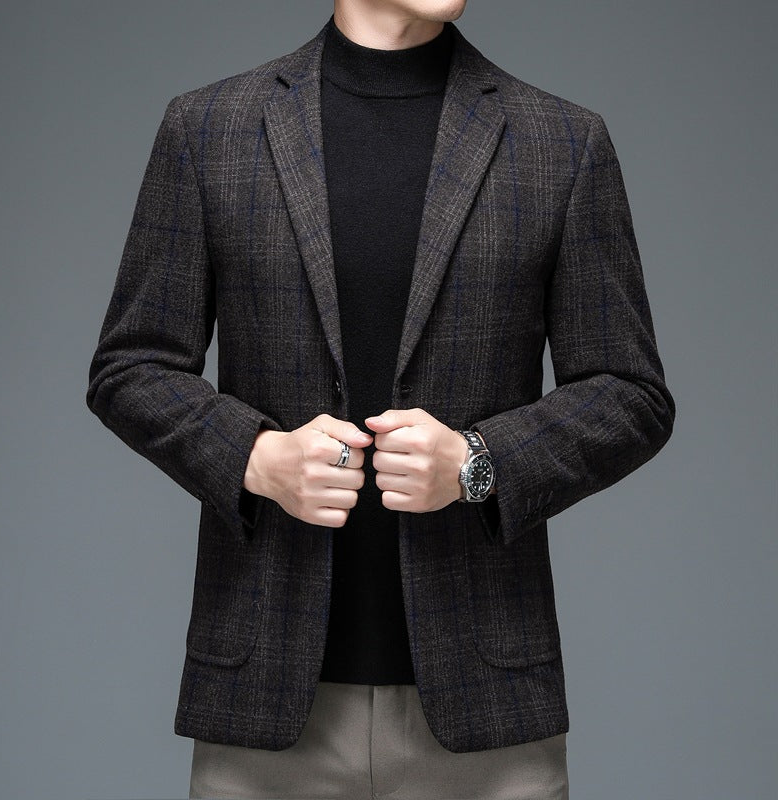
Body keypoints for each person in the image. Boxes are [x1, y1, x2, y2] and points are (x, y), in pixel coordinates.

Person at [85, 1, 676, 797]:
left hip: (488, 715)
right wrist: (257, 458)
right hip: (264, 707)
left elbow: (630, 393)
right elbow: (130, 365)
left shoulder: (561, 142)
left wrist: (478, 463)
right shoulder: (210, 129)